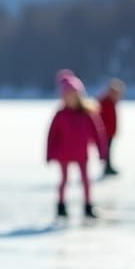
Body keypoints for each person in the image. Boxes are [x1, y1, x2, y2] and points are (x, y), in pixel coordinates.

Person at [46, 73, 108, 219]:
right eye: (67, 94)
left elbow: (97, 134)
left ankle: (87, 206)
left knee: (85, 180)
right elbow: (51, 136)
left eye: (73, 94)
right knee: (64, 180)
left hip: (81, 153)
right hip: (64, 154)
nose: (71, 97)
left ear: (79, 95)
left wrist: (101, 151)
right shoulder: (60, 115)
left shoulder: (87, 114)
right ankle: (61, 206)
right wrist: (49, 153)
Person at [97, 78, 125, 176]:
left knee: (109, 150)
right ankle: (107, 167)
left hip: (110, 131)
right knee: (106, 150)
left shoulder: (111, 102)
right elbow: (100, 118)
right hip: (104, 132)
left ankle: (108, 166)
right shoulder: (104, 102)